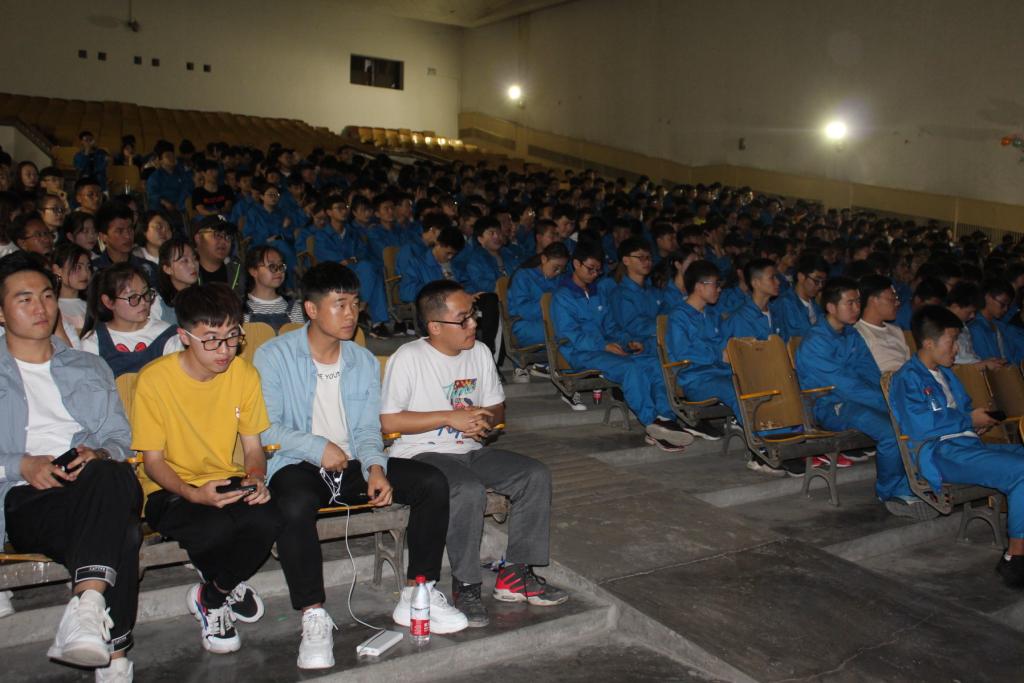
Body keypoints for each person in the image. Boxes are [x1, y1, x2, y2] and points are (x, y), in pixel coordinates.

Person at [254, 263, 466, 669]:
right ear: (312, 310)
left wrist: (374, 468)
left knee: (431, 482)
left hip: (351, 462)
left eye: (354, 304)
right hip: (297, 463)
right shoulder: (274, 356)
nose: (351, 314)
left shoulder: (362, 360)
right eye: (340, 304)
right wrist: (318, 446)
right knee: (294, 504)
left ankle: (417, 592)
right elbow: (266, 428)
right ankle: (313, 614)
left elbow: (369, 428)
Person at [381, 279, 568, 628]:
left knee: (534, 474)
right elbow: (389, 421)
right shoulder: (409, 358)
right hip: (420, 453)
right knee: (466, 488)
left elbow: (497, 409)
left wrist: (485, 420)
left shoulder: (479, 352)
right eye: (463, 319)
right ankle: (466, 584)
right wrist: (448, 417)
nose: (473, 324)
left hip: (469, 450)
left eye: (473, 315)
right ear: (435, 327)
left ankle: (515, 574)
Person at [0, 251, 141, 681]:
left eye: (47, 296)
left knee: (109, 473)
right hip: (24, 499)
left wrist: (97, 454)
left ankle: (88, 608)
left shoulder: (89, 365)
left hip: (90, 484)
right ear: (1, 313)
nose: (41, 307)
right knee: (123, 529)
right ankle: (114, 653)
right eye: (24, 299)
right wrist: (21, 464)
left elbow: (119, 440)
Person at [131, 283, 282, 654]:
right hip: (168, 487)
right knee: (214, 527)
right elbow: (153, 462)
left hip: (224, 477)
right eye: (211, 340)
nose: (225, 350)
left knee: (268, 518)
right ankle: (227, 584)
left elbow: (253, 448)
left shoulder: (243, 374)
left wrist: (255, 478)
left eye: (232, 337)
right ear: (184, 337)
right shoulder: (154, 380)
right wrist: (192, 493)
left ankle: (213, 594)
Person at [890, 305, 1024, 589]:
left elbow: (961, 411)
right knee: (1020, 471)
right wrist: (967, 420)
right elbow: (919, 425)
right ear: (929, 343)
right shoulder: (907, 378)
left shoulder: (946, 374)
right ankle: (1015, 557)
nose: (957, 349)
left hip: (966, 445)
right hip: (940, 453)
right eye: (952, 341)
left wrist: (977, 423)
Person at [551, 242, 695, 449]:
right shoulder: (563, 296)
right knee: (630, 368)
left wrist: (627, 341)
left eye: (598, 270)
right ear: (576, 264)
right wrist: (604, 345)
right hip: (580, 353)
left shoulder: (597, 293)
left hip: (606, 350)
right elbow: (571, 335)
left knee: (655, 364)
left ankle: (665, 419)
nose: (595, 274)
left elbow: (611, 326)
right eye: (590, 269)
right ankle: (651, 423)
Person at [795, 278, 918, 516]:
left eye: (858, 302)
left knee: (909, 420)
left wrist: (892, 399)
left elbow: (870, 373)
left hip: (857, 401)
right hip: (829, 406)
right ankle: (890, 492)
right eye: (849, 303)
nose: (856, 308)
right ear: (831, 307)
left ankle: (911, 483)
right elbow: (845, 387)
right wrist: (888, 402)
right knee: (890, 431)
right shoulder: (815, 342)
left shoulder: (851, 334)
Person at [79, 263, 182, 376]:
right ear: (108, 302)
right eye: (133, 297)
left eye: (146, 293)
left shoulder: (168, 335)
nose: (143, 302)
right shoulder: (94, 343)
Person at [314, 195, 390, 338]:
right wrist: (350, 260)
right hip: (333, 272)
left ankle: (362, 309)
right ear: (329, 212)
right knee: (369, 271)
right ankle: (376, 322)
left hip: (354, 270)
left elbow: (362, 252)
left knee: (372, 271)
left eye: (345, 208)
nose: (344, 211)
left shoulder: (352, 233)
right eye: (339, 208)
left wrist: (350, 260)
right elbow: (329, 258)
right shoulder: (322, 235)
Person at [507, 242, 570, 380]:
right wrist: (550, 305)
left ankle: (545, 365)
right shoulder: (523, 276)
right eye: (556, 267)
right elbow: (525, 310)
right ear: (543, 259)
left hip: (548, 323)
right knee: (563, 332)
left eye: (562, 268)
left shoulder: (560, 279)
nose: (559, 272)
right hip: (524, 324)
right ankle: (548, 364)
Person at [610, 237, 663, 352]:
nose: (647, 261)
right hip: (640, 350)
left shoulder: (654, 291)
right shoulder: (621, 294)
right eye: (641, 257)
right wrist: (665, 325)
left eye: (649, 257)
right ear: (626, 261)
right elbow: (635, 327)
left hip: (660, 343)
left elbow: (666, 312)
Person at [854, 274, 911, 373]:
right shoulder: (856, 332)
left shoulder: (896, 330)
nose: (897, 303)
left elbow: (909, 364)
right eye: (892, 299)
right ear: (874, 300)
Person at [92, 203, 157, 285]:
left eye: (130, 229)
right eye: (119, 231)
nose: (128, 236)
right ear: (103, 236)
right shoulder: (93, 271)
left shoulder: (149, 269)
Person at [243, 245, 304, 331]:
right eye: (272, 266)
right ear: (253, 271)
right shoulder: (241, 309)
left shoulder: (293, 307)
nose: (279, 271)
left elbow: (300, 338)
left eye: (281, 266)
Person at [723, 257, 786, 340]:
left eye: (776, 277)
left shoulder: (776, 312)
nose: (778, 282)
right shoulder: (741, 319)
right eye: (772, 278)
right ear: (756, 283)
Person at [946, 281, 1006, 369]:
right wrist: (981, 365)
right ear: (955, 306)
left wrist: (985, 362)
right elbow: (949, 366)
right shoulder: (942, 326)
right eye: (969, 312)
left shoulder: (963, 326)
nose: (973, 316)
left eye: (974, 312)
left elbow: (970, 356)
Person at [967, 279, 1024, 365]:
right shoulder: (975, 329)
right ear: (987, 297)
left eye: (1008, 305)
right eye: (1002, 304)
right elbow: (989, 364)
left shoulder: (1001, 326)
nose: (1005, 309)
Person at [774, 252, 827, 339]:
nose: (820, 286)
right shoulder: (784, 304)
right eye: (816, 281)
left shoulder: (815, 305)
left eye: (823, 282)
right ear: (801, 277)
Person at [193, 216, 246, 299]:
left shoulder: (239, 272)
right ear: (198, 238)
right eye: (217, 235)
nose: (224, 241)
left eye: (228, 236)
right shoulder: (186, 273)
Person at [52, 241, 92, 335]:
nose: (85, 273)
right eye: (78, 267)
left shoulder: (93, 305)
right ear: (57, 270)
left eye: (88, 267)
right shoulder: (51, 306)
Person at [154, 238, 198, 324]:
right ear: (167, 269)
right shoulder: (156, 300)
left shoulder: (204, 295)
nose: (193, 265)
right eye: (184, 261)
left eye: (195, 258)